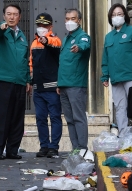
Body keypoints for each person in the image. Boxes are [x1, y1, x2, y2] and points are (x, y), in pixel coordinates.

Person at [0, 4, 31, 160]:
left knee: (17, 118)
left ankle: (12, 150)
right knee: (1, 117)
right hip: (3, 81)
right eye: (9, 14)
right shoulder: (0, 31)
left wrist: (27, 80)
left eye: (15, 14)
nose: (12, 17)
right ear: (4, 16)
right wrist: (1, 27)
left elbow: (24, 60)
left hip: (20, 82)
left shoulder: (22, 36)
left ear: (19, 16)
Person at [100, 3, 132, 134]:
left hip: (131, 76)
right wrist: (105, 75)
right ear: (110, 18)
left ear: (125, 16)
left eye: (119, 14)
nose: (116, 17)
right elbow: (105, 58)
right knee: (120, 107)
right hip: (115, 78)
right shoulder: (109, 37)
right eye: (114, 15)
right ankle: (124, 137)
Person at [56, 9, 91, 156]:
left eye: (73, 18)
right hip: (64, 85)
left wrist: (79, 48)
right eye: (67, 18)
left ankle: (82, 147)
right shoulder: (66, 39)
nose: (69, 21)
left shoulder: (82, 37)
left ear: (79, 21)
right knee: (69, 119)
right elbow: (63, 63)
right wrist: (59, 84)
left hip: (76, 85)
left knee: (78, 117)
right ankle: (75, 148)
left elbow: (84, 46)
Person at [29, 13, 63, 158]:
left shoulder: (55, 40)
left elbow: (54, 44)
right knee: (40, 118)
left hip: (52, 87)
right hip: (38, 88)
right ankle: (44, 146)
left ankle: (53, 147)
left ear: (51, 26)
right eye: (39, 25)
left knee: (55, 117)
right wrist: (30, 81)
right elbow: (31, 64)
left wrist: (46, 40)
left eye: (45, 25)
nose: (41, 28)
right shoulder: (33, 43)